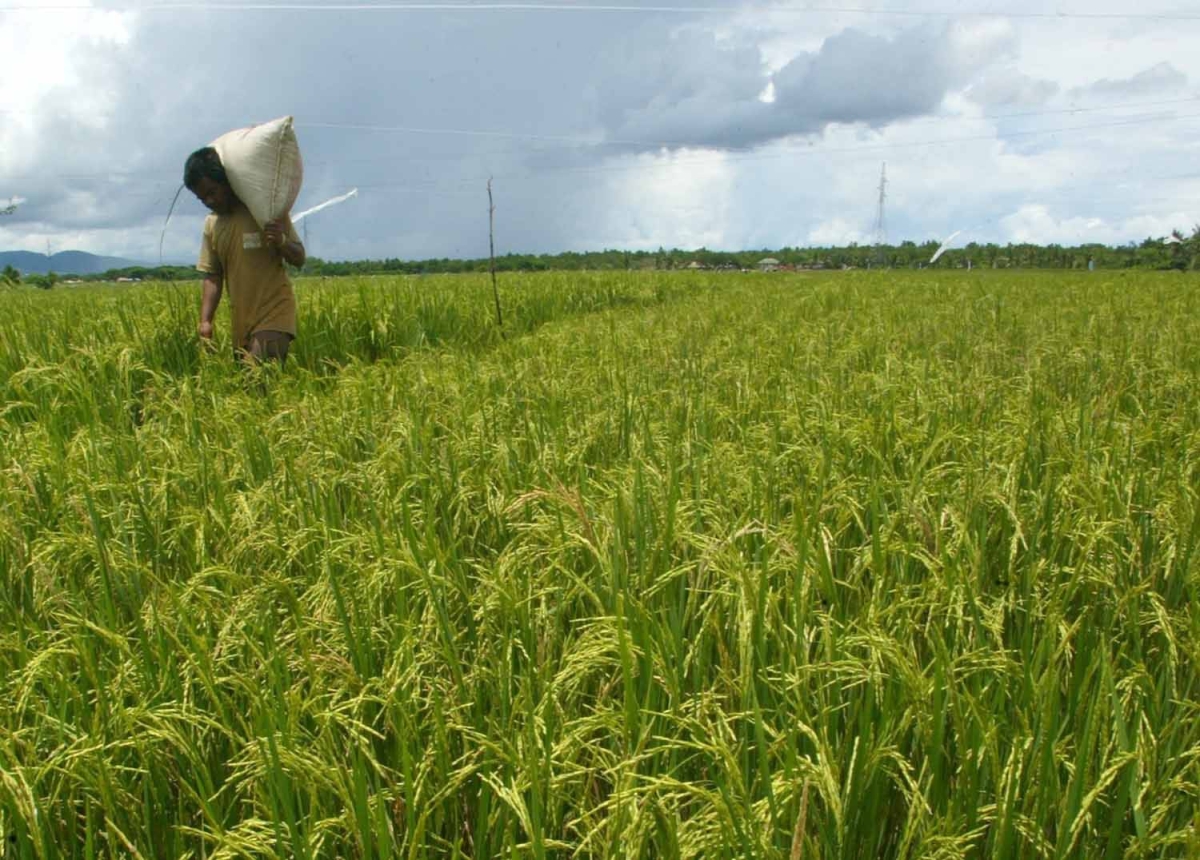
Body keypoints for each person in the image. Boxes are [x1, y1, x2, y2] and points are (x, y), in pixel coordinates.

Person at [183, 147, 306, 364]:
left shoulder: (264, 209)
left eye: (212, 192)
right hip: (241, 322)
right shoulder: (212, 224)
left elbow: (299, 257)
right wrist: (205, 321)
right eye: (202, 198)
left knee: (255, 376)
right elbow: (213, 275)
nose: (209, 201)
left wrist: (282, 241)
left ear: (227, 182)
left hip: (275, 313)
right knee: (252, 392)